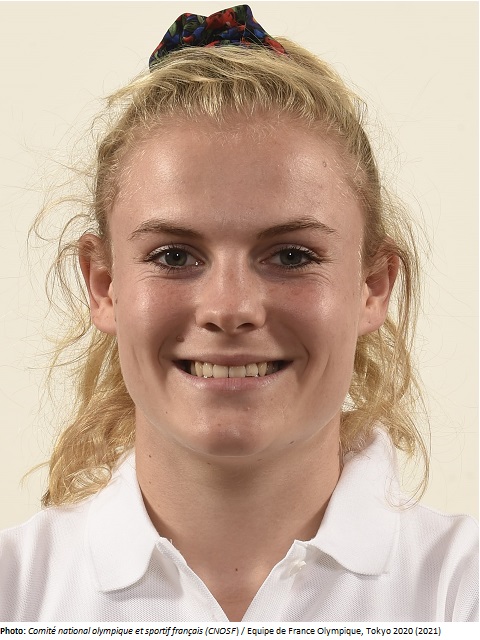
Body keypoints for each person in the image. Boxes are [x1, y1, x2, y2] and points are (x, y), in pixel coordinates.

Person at [0, 4, 477, 623]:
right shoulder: (15, 592)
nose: (229, 308)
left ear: (372, 287)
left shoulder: (462, 593)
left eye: (292, 255)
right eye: (174, 255)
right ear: (104, 285)